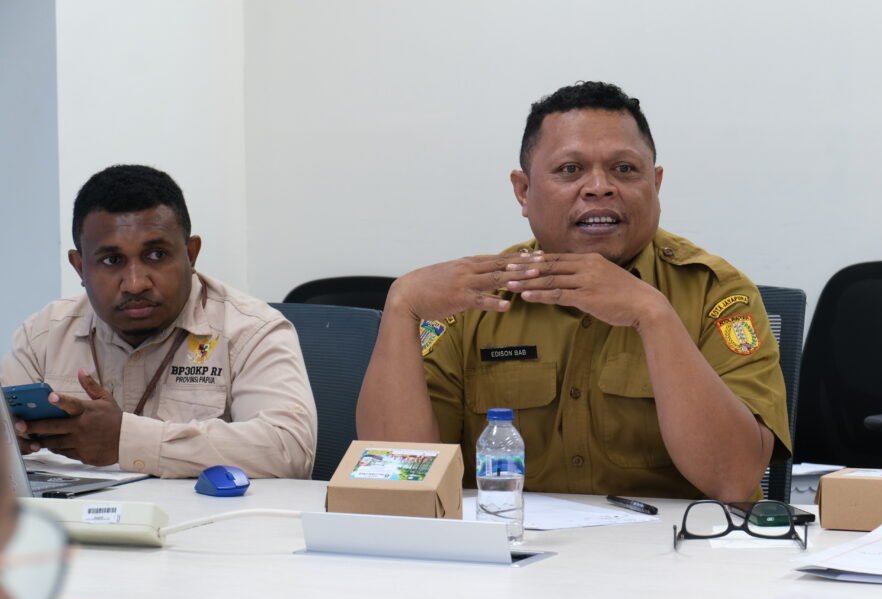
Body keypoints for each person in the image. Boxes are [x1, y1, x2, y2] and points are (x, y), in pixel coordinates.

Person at [357, 81, 790, 502]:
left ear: (656, 185)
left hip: (673, 547)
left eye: (624, 169)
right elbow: (398, 482)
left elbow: (733, 480)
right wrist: (401, 306)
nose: (599, 186)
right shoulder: (474, 299)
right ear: (523, 191)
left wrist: (651, 314)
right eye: (570, 169)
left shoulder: (715, 293)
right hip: (509, 541)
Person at [1, 165, 316, 478]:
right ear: (79, 267)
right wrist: (12, 440)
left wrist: (126, 441)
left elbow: (289, 450)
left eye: (156, 255)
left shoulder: (252, 331)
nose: (135, 283)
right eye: (111, 260)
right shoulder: (44, 333)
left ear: (191, 254)